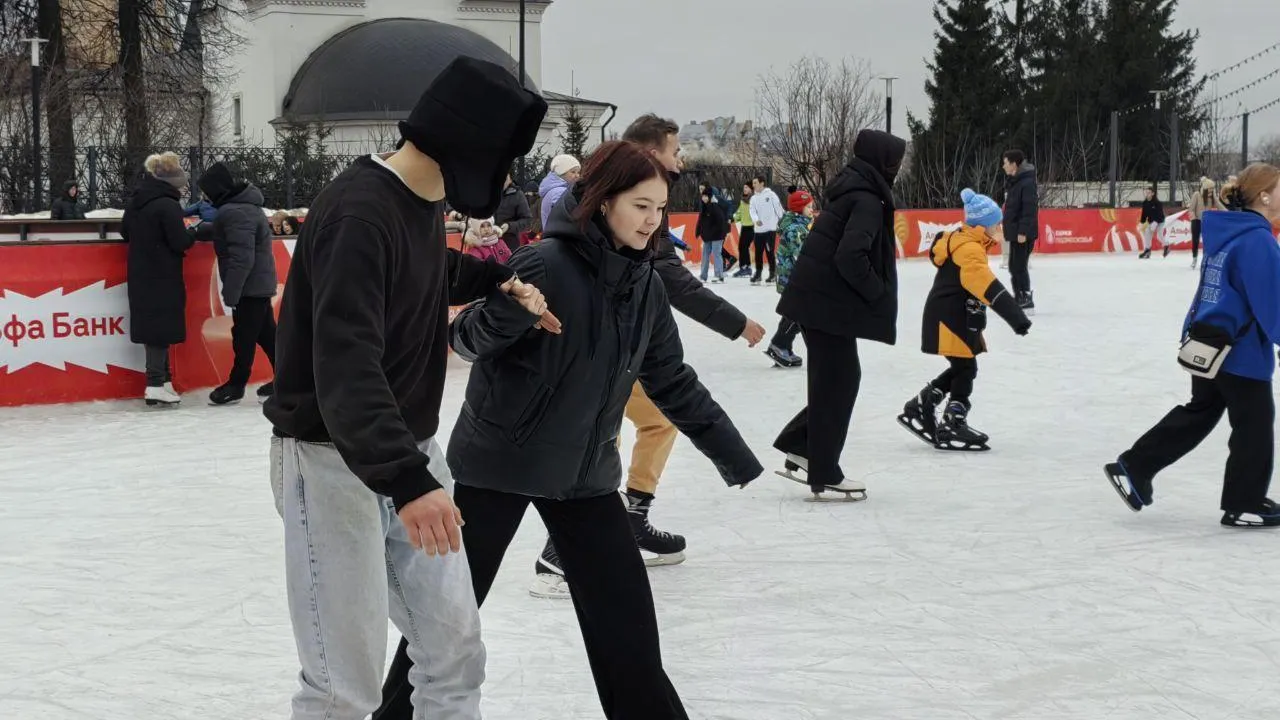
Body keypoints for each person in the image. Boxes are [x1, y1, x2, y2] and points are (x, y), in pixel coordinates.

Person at [263, 56, 548, 720]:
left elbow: (422, 275)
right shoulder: (360, 213)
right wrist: (411, 481)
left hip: (406, 451)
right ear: (470, 142)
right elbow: (346, 365)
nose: (506, 175)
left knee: (454, 654)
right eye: (503, 155)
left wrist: (492, 282)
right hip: (334, 460)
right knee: (343, 683)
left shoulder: (416, 203)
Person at [443, 139, 760, 720]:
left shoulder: (646, 287)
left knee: (630, 639)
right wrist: (511, 313)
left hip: (585, 475)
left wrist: (732, 454)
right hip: (498, 467)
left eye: (660, 209)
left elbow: (672, 380)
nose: (652, 221)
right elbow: (464, 338)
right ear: (603, 200)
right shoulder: (543, 264)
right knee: (442, 631)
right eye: (641, 205)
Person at [1103, 163, 1280, 529]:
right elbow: (1271, 302)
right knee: (1255, 423)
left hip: (1210, 342)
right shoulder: (1258, 240)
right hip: (1239, 349)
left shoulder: (1229, 233)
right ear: (1264, 195)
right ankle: (1244, 503)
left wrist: (1191, 331)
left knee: (1201, 411)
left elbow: (1209, 288)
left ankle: (1135, 466)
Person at [773, 129, 906, 499]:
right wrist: (876, 293)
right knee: (840, 379)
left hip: (819, 302)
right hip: (824, 304)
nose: (897, 167)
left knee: (836, 378)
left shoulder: (853, 189)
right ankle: (824, 467)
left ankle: (804, 446)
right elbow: (850, 256)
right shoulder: (866, 199)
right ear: (882, 161)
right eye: (895, 160)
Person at [898, 189, 1031, 451]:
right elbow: (987, 286)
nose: (1000, 228)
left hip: (953, 316)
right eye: (996, 224)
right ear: (983, 226)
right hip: (950, 318)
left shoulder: (965, 242)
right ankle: (953, 421)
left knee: (963, 367)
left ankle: (923, 403)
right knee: (966, 369)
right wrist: (1017, 318)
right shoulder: (969, 249)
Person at [197, 161, 279, 406]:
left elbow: (241, 257)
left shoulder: (233, 212)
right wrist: (205, 231)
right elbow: (235, 235)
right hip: (258, 283)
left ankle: (236, 384)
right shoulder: (242, 207)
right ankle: (289, 379)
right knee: (267, 336)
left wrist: (231, 292)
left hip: (249, 287)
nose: (206, 198)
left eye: (207, 193)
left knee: (244, 337)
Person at [122, 152, 196, 406]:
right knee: (160, 329)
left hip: (140, 272)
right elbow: (180, 242)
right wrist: (193, 232)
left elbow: (124, 232)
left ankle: (163, 381)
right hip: (163, 273)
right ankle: (154, 384)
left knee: (152, 326)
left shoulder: (137, 201)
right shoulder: (167, 205)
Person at [765, 189, 814, 368]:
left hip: (799, 278)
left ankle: (781, 345)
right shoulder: (794, 229)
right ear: (798, 209)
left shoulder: (804, 225)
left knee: (796, 313)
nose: (811, 209)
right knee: (798, 314)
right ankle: (779, 345)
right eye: (808, 207)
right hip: (794, 278)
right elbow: (801, 255)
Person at [1001, 149, 1038, 313]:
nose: (1003, 166)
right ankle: (1019, 296)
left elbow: (1029, 209)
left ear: (1014, 164)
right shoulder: (1015, 181)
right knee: (1013, 265)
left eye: (1006, 163)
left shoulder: (1027, 183)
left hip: (1023, 233)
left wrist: (1023, 232)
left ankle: (1025, 298)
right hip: (1015, 232)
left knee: (1020, 266)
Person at [748, 175, 784, 284]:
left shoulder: (771, 195)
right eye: (753, 183)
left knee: (769, 252)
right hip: (758, 231)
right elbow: (752, 211)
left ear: (762, 183)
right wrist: (756, 220)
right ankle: (758, 274)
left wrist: (781, 221)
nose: (753, 185)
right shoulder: (753, 198)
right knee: (758, 253)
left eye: (755, 183)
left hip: (770, 230)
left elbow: (778, 208)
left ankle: (772, 273)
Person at [539, 153, 581, 229]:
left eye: (578, 172)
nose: (577, 175)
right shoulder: (559, 192)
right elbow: (566, 218)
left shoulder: (555, 190)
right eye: (573, 172)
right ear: (561, 172)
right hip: (560, 237)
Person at [494, 173, 533, 252]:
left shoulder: (518, 195)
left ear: (510, 179)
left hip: (509, 243)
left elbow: (527, 220)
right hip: (486, 242)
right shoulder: (486, 193)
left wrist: (509, 226)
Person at [695, 187, 728, 282]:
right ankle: (703, 276)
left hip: (717, 235)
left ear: (710, 197)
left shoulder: (715, 207)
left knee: (716, 254)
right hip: (707, 236)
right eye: (703, 196)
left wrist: (714, 232)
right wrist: (698, 231)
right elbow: (700, 221)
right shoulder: (703, 207)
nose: (704, 198)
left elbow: (720, 222)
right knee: (705, 255)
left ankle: (719, 275)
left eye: (706, 196)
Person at [1188, 177, 1220, 269]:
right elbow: (1191, 209)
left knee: (1207, 241)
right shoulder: (1197, 195)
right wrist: (1193, 218)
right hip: (1196, 221)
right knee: (1195, 241)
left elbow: (1219, 206)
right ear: (1205, 188)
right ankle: (1194, 258)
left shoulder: (1212, 196)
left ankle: (1205, 260)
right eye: (1210, 188)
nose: (1211, 190)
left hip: (1206, 221)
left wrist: (1228, 212)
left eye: (1212, 188)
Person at [733, 183, 755, 278]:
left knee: (744, 247)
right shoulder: (743, 201)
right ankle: (745, 268)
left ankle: (746, 268)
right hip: (744, 227)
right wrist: (732, 218)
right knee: (742, 247)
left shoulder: (754, 200)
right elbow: (739, 213)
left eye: (746, 187)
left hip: (752, 227)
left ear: (751, 188)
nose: (744, 189)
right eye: (744, 187)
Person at [1138, 185, 1165, 260]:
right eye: (1146, 192)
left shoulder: (1157, 203)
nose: (1147, 194)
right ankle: (1147, 251)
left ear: (1153, 193)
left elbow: (1160, 214)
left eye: (1149, 192)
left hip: (1160, 221)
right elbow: (1144, 214)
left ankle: (1167, 246)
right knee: (1147, 232)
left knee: (1159, 236)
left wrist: (1156, 222)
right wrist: (1141, 223)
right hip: (1151, 221)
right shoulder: (1145, 203)